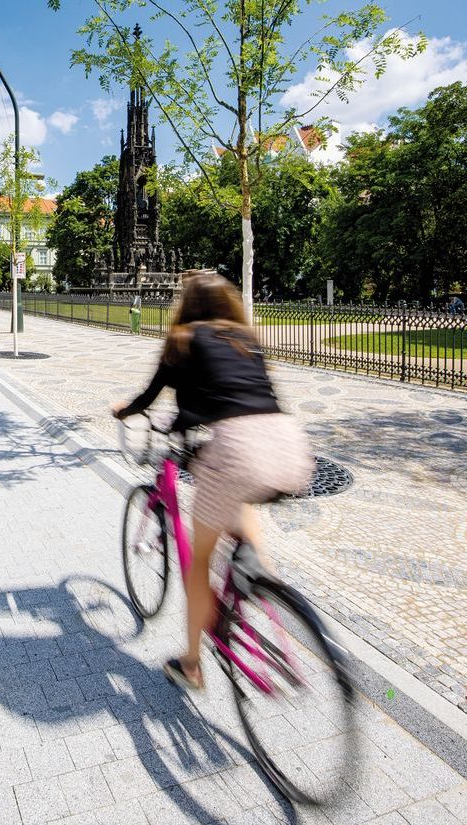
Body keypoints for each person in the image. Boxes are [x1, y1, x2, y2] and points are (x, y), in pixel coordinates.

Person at [112, 271, 313, 690]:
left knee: (198, 561)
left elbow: (151, 396)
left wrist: (124, 411)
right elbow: (237, 397)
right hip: (289, 446)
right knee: (236, 498)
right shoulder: (245, 337)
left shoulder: (183, 338)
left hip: (239, 450)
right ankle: (258, 572)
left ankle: (191, 665)